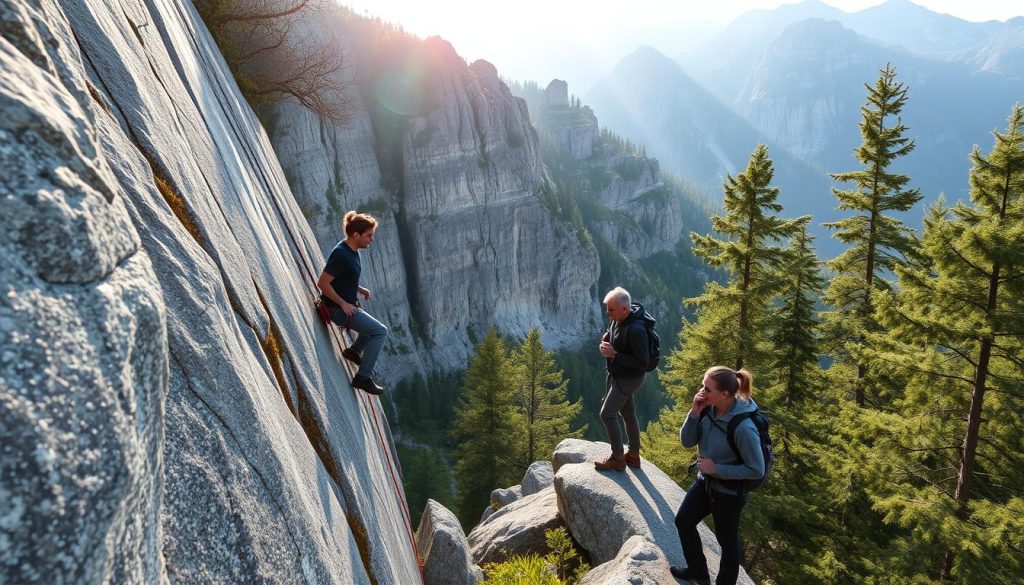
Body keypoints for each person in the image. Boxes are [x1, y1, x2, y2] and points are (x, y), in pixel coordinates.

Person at [670, 366, 765, 585]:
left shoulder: (744, 427)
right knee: (683, 521)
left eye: (707, 388)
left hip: (730, 493)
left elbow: (756, 469)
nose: (701, 391)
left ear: (725, 394)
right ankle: (698, 572)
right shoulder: (707, 408)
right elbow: (687, 442)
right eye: (703, 385)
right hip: (705, 483)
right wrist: (694, 412)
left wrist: (717, 469)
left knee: (727, 544)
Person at [316, 211, 388, 395]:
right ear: (356, 234)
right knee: (380, 331)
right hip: (337, 310)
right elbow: (322, 282)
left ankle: (354, 352)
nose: (371, 239)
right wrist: (343, 304)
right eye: (369, 235)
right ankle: (362, 378)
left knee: (370, 327)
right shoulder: (342, 254)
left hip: (345, 305)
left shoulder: (351, 250)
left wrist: (358, 289)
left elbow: (343, 278)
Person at [594, 287, 654, 472]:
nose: (608, 313)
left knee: (607, 414)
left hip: (630, 377)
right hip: (620, 373)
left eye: (611, 310)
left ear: (625, 309)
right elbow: (614, 330)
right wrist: (607, 337)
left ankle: (618, 457)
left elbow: (642, 362)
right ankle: (634, 455)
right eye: (607, 309)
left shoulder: (636, 329)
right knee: (627, 413)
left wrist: (615, 354)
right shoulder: (620, 318)